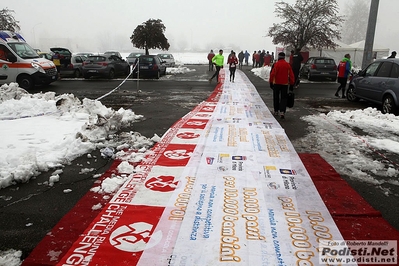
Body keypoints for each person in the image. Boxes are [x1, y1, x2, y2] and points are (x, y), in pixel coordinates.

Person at [269, 52, 295, 119]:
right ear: (284, 57)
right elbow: (291, 75)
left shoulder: (276, 65)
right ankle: (282, 111)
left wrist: (271, 82)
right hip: (285, 84)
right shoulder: (287, 65)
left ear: (278, 57)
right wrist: (292, 83)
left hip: (276, 83)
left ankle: (276, 110)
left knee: (276, 97)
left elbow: (272, 74)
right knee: (284, 98)